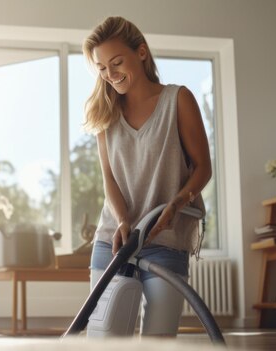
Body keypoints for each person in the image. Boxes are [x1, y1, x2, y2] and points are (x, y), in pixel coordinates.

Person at [83, 16, 212, 337]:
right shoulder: (104, 113)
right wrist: (124, 220)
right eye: (101, 68)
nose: (110, 75)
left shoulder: (177, 100)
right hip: (115, 237)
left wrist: (177, 204)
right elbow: (109, 180)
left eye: (116, 62)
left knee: (159, 339)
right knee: (105, 339)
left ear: (141, 52)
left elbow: (202, 167)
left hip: (164, 237)